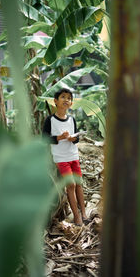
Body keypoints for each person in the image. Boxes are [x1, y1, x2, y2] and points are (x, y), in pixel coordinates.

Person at [42, 88, 88, 226]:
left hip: (73, 155)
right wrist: (59, 137)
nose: (66, 100)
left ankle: (84, 213)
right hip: (61, 158)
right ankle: (77, 216)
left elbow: (77, 139)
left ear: (71, 103)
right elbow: (44, 139)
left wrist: (72, 139)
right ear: (55, 101)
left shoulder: (72, 120)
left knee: (78, 183)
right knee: (71, 184)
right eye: (63, 97)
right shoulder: (50, 120)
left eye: (69, 98)